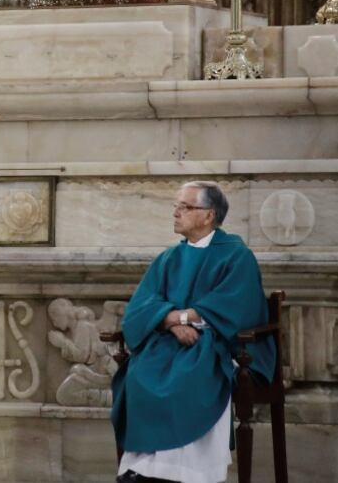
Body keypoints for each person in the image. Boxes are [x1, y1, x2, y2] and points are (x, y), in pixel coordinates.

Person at [111, 181, 275, 483]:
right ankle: (143, 469)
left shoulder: (236, 256)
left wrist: (181, 318)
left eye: (185, 207)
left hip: (215, 344)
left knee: (189, 378)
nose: (176, 213)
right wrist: (172, 322)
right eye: (176, 206)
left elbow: (236, 305)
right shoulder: (169, 257)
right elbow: (140, 306)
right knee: (138, 375)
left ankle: (185, 474)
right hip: (168, 343)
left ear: (209, 215)